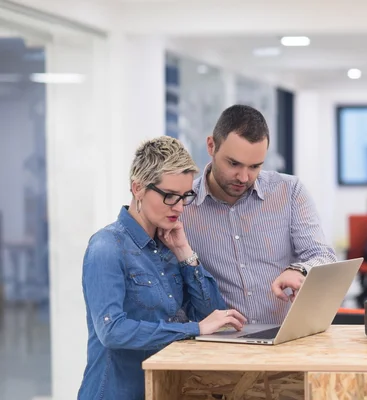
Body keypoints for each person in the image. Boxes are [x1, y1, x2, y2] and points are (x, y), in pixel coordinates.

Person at [78, 137, 246, 400]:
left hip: (165, 389)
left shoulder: (170, 244)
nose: (179, 207)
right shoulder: (106, 247)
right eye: (169, 196)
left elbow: (214, 315)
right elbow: (112, 331)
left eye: (185, 196)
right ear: (138, 188)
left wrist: (185, 253)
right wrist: (193, 329)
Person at [181, 104, 337, 325]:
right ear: (211, 145)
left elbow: (324, 256)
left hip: (285, 336)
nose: (243, 177)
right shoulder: (182, 206)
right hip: (221, 343)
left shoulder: (289, 191)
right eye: (233, 163)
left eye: (255, 166)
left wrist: (300, 269)